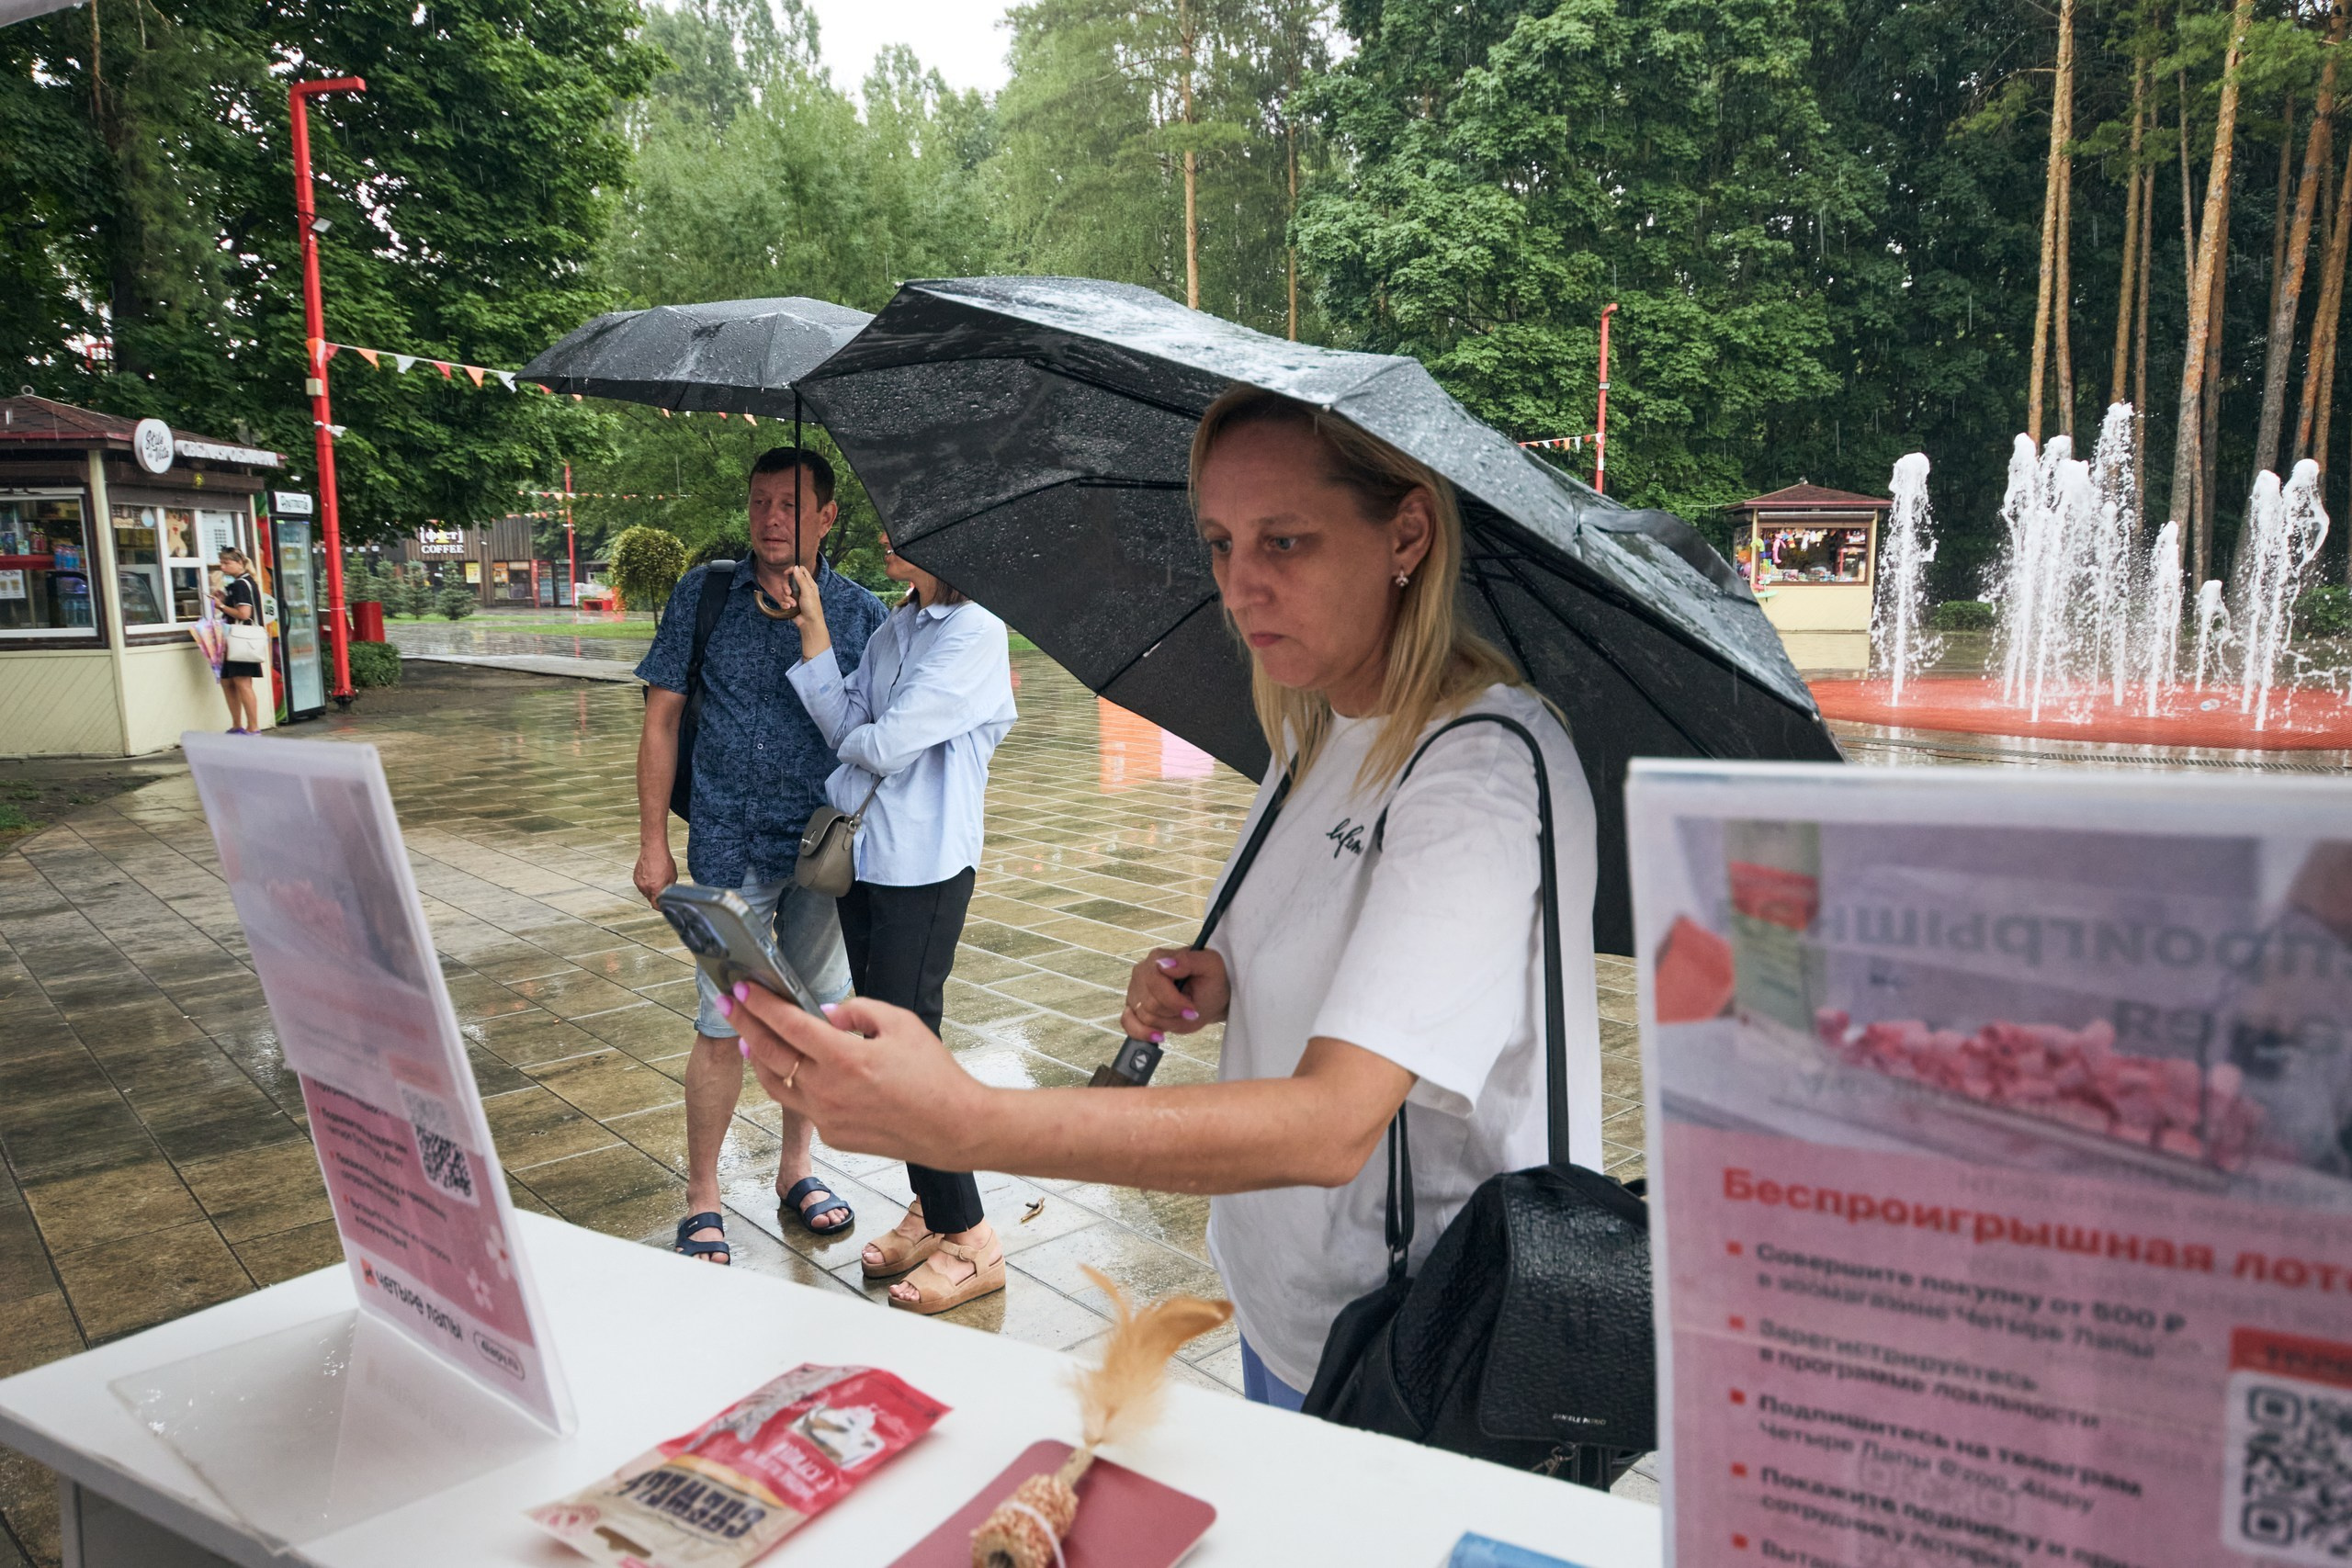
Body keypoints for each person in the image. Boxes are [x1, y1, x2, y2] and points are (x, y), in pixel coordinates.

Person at [719, 386, 1604, 1406]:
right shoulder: (1317, 728)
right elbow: (1337, 938)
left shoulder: (1479, 769)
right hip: (1285, 1304)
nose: (1240, 586)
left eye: (1285, 542)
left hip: (1421, 1345)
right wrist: (1222, 977)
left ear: (1406, 533)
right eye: (1221, 544)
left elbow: (1332, 1124)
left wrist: (968, 1119)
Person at [740, 532, 1017, 1313]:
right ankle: (931, 1209)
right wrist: (814, 627)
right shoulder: (899, 626)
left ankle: (973, 1237)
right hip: (866, 857)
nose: (887, 533)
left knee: (907, 1048)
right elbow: (844, 722)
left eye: (904, 523)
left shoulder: (974, 631)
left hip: (925, 865)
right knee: (886, 1042)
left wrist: (860, 740)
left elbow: (884, 744)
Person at [633, 446, 888, 1265]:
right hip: (727, 846)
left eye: (790, 504)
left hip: (821, 854)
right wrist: (651, 841)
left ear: (827, 517)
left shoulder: (860, 614)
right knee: (721, 1024)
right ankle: (702, 1194)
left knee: (811, 1020)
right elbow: (662, 719)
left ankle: (796, 1169)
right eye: (759, 502)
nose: (771, 519)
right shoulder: (704, 594)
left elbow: (877, 738)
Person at [212, 547, 263, 734]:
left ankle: (252, 727)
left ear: (240, 563)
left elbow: (244, 613)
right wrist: (226, 600)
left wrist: (221, 606)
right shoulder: (242, 583)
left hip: (241, 640)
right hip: (235, 639)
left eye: (227, 563)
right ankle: (237, 725)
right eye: (221, 563)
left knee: (242, 683)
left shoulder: (241, 584)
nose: (223, 567)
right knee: (228, 681)